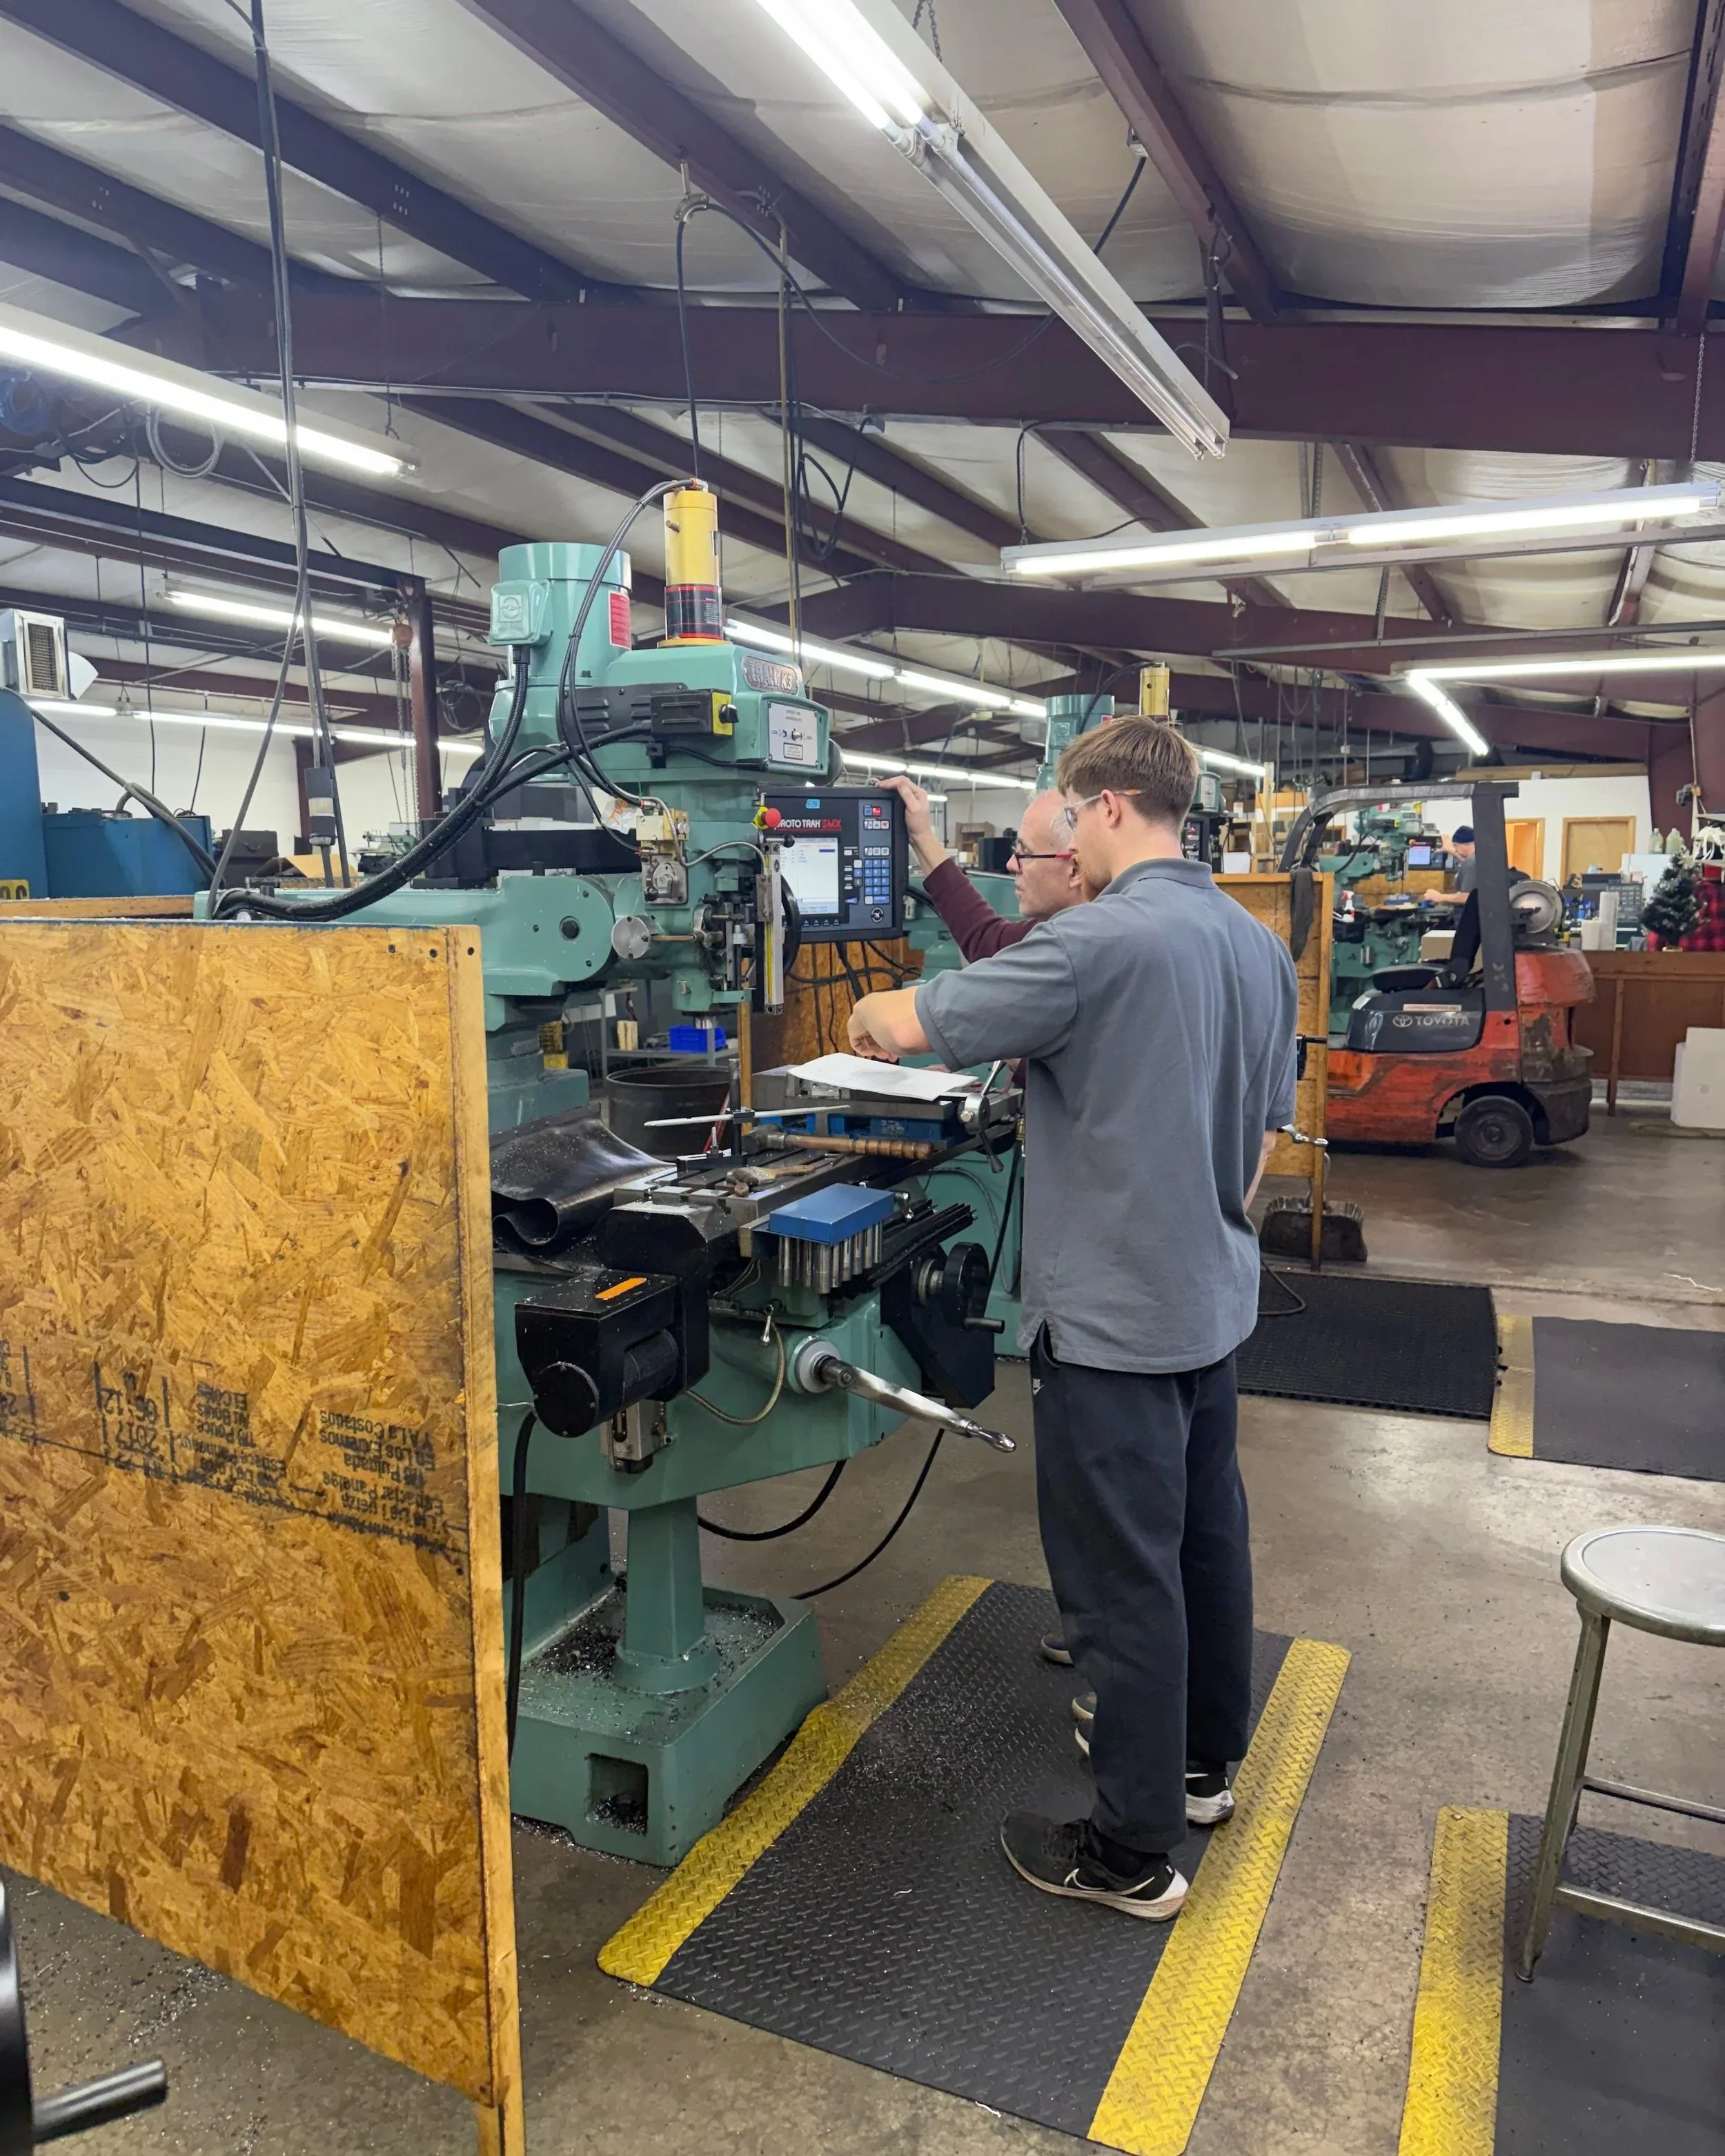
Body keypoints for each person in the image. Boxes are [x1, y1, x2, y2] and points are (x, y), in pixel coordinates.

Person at [847, 719, 1299, 1923]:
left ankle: (1131, 1855)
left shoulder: (1097, 941)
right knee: (1206, 1542)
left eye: (1063, 827)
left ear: (1103, 809)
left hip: (1110, 1327)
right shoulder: (1258, 948)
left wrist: (865, 1020)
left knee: (1118, 1585)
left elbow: (904, 1027)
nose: (1060, 858)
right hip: (1209, 1304)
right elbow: (1264, 1134)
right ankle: (1202, 1772)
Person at [880, 775, 1085, 959]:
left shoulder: (1070, 949)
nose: (1011, 864)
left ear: (1075, 870)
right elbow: (987, 941)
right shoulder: (1072, 930)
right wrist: (920, 836)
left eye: (1026, 853)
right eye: (1016, 849)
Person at [1426, 824, 1476, 907]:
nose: (1455, 849)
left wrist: (1439, 897)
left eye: (1455, 845)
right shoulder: (1478, 859)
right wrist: (1449, 850)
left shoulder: (1470, 862)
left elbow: (1467, 897)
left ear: (1465, 844)